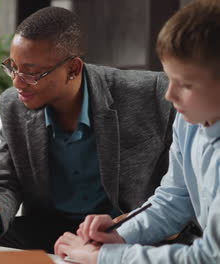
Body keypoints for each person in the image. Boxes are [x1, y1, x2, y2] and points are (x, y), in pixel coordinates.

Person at [0, 6, 176, 253]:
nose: (16, 82)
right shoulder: (13, 104)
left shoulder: (151, 94)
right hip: (51, 231)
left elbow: (179, 187)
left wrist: (127, 227)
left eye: (31, 73)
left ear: (73, 69)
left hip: (124, 233)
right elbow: (6, 180)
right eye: (12, 67)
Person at [54, 0, 220, 263]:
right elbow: (174, 197)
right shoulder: (190, 121)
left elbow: (209, 258)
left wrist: (105, 257)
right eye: (170, 79)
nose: (169, 95)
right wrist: (120, 235)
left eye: (185, 84)